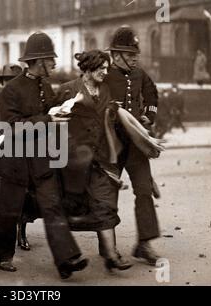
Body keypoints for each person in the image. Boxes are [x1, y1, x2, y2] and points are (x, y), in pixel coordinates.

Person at [0, 32, 87, 279]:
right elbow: (11, 126)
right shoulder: (11, 90)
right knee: (9, 209)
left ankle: (66, 259)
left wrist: (65, 105)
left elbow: (49, 108)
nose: (54, 64)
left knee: (52, 205)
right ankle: (3, 256)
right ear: (38, 61)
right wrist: (48, 118)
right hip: (14, 159)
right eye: (50, 59)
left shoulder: (44, 85)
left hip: (41, 158)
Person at [55, 50, 133, 271]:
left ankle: (111, 254)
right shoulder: (67, 90)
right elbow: (53, 120)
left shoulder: (105, 89)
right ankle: (65, 259)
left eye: (107, 69)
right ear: (88, 70)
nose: (105, 72)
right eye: (101, 69)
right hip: (73, 163)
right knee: (69, 211)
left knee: (105, 204)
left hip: (100, 160)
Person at [104, 26, 161, 265]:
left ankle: (144, 244)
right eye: (129, 55)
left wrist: (149, 115)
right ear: (115, 55)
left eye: (135, 54)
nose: (134, 58)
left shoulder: (139, 74)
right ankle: (108, 247)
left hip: (136, 144)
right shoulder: (104, 76)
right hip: (112, 144)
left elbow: (152, 94)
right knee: (108, 195)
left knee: (144, 191)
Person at [0, 64, 39, 252]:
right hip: (2, 156)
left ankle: (21, 232)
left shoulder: (27, 102)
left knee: (25, 198)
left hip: (24, 154)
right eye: (7, 81)